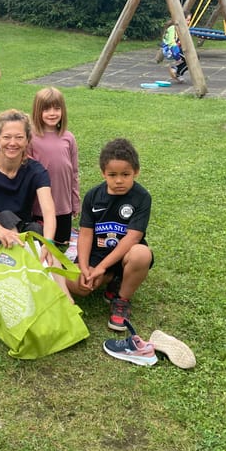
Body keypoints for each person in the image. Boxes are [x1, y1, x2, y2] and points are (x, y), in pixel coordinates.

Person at [72, 138, 152, 332]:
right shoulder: (93, 196)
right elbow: (85, 234)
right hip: (97, 255)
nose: (119, 180)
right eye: (112, 174)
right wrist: (84, 267)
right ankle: (111, 280)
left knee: (142, 254)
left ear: (136, 172)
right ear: (103, 173)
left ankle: (121, 299)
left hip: (126, 254)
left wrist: (101, 267)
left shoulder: (142, 197)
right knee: (76, 286)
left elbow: (132, 237)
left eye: (126, 174)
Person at [0, 109, 57, 265]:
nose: (12, 143)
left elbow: (49, 211)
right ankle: (23, 265)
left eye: (19, 137)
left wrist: (49, 242)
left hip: (23, 227)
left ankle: (56, 284)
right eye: (6, 137)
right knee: (6, 216)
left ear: (28, 140)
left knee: (37, 230)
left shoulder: (36, 170)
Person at [27, 87, 80, 244]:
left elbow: (74, 173)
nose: (52, 113)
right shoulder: (31, 139)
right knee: (39, 244)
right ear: (37, 111)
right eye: (46, 109)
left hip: (63, 205)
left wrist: (75, 201)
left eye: (57, 108)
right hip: (38, 207)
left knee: (61, 243)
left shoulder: (68, 138)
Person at [161, 11, 191, 82]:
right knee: (190, 59)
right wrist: (176, 54)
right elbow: (171, 42)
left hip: (175, 49)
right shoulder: (173, 28)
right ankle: (175, 70)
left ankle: (177, 71)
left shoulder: (180, 28)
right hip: (170, 50)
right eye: (188, 20)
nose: (189, 22)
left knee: (194, 58)